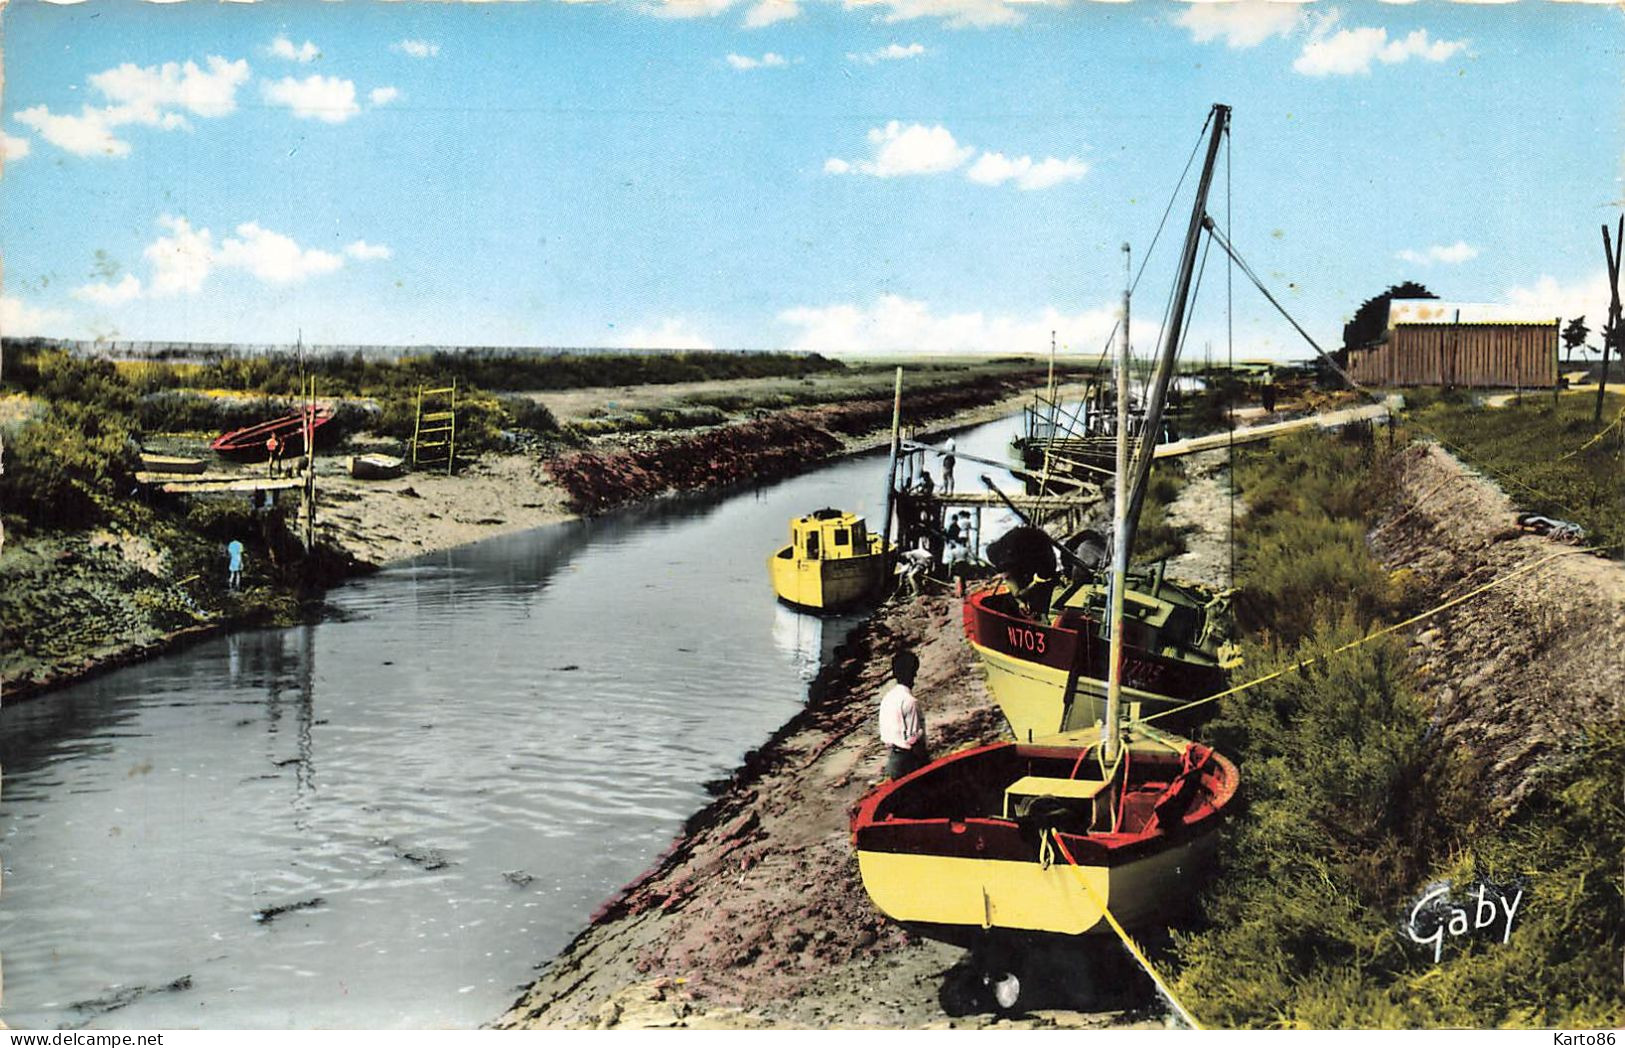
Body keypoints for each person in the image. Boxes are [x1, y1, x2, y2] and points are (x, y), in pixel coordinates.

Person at [878, 649, 927, 779]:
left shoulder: (887, 698)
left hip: (892, 759)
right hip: (907, 762)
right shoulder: (910, 701)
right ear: (912, 673)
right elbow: (913, 740)